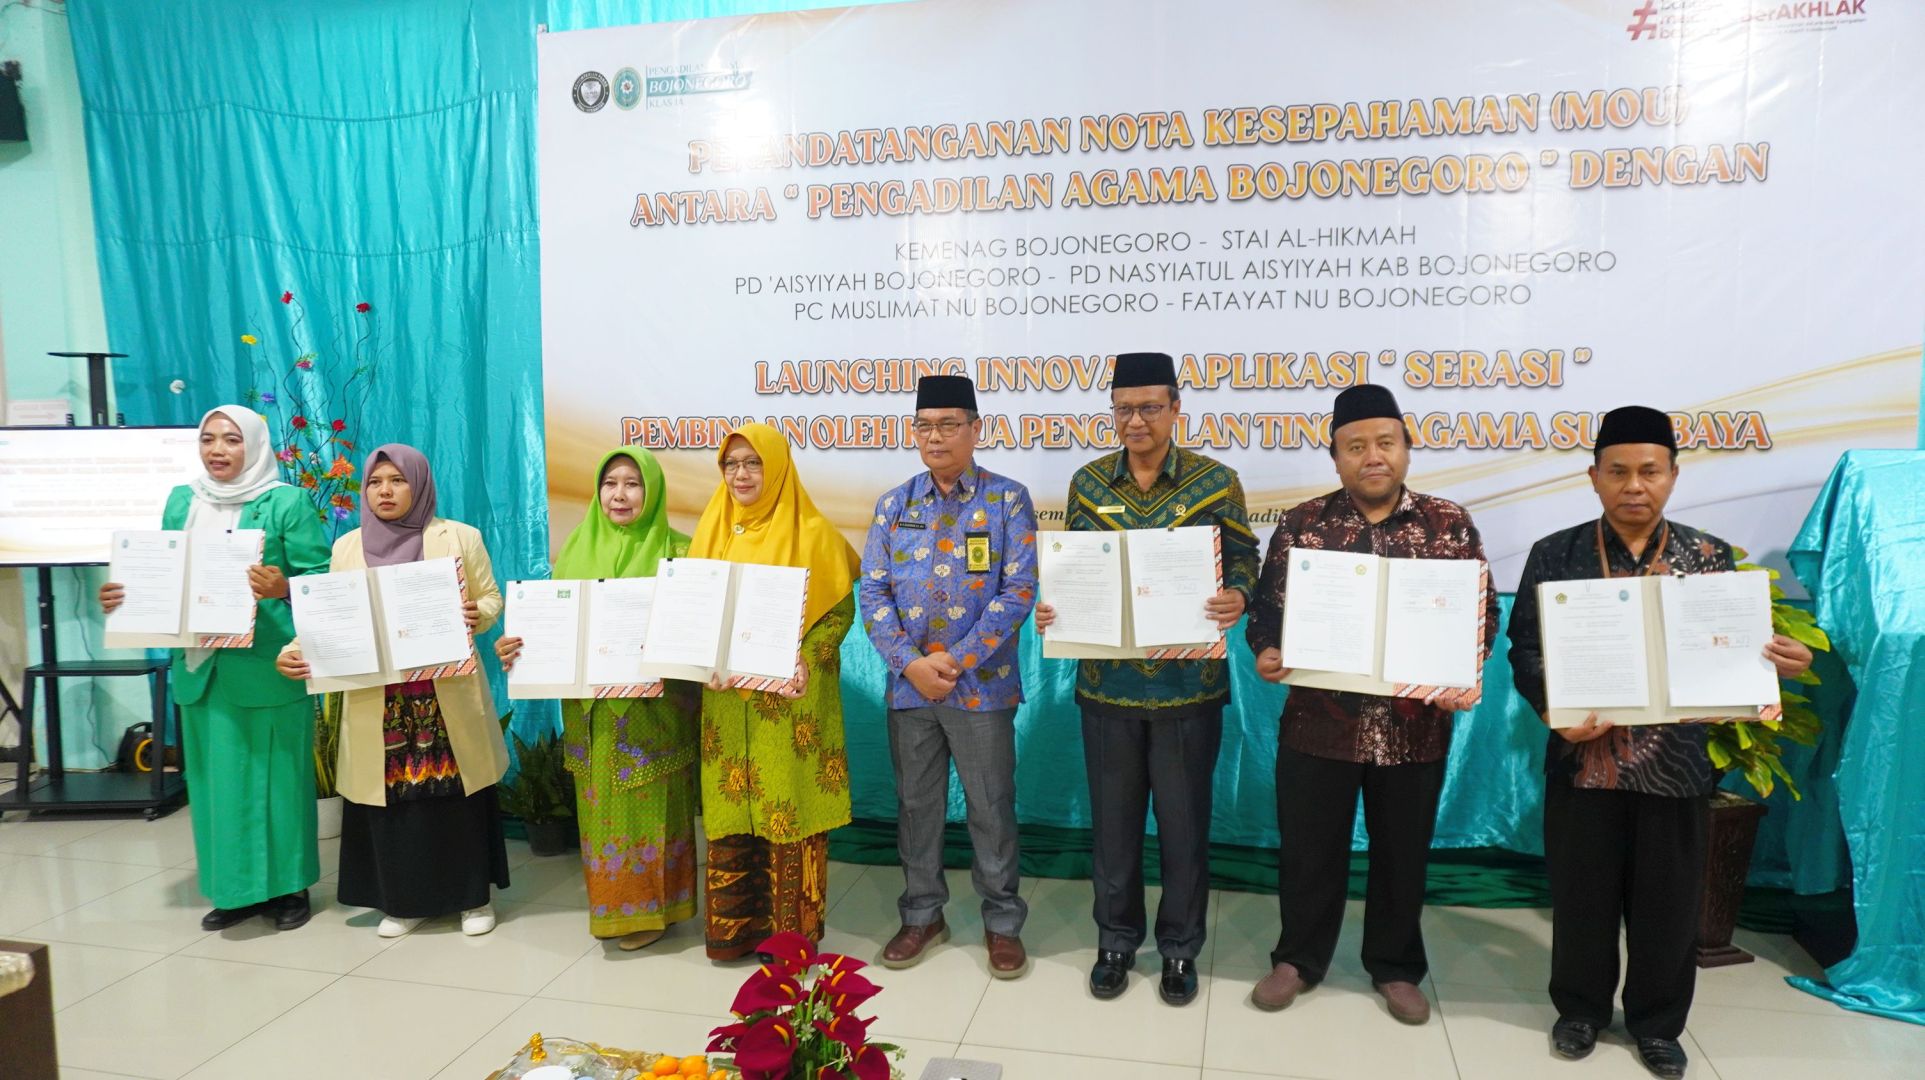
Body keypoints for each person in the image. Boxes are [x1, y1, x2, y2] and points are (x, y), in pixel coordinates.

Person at [1507, 405, 1813, 1079]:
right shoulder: (1555, 554)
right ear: (1593, 477)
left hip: (1676, 766)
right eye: (1617, 472)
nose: (1633, 486)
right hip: (1582, 756)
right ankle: (1579, 1010)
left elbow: (1734, 655)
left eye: (1649, 471)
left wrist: (1776, 664)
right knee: (1582, 894)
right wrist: (1553, 710)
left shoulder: (1706, 558)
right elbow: (1523, 648)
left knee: (1667, 904)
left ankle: (1656, 1023)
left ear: (1673, 475)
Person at [1242, 383, 1500, 1025]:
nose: (1372, 456)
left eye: (1385, 442)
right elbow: (1267, 615)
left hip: (1413, 729)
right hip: (1318, 727)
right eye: (1355, 447)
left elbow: (1482, 614)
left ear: (1407, 448)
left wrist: (1463, 666)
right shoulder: (1304, 524)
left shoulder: (1449, 523)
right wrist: (1268, 649)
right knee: (1309, 849)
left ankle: (1395, 966)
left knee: (1402, 852)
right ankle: (1297, 958)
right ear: (1337, 459)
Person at [1033, 351, 1261, 1006]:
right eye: (1123, 408)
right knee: (1113, 823)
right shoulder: (1086, 483)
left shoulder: (1217, 481)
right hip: (1105, 689)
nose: (1135, 420)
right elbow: (1073, 570)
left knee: (1185, 825)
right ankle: (1114, 939)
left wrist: (1237, 596)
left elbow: (1243, 559)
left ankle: (1180, 948)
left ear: (1175, 410)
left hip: (1188, 690)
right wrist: (1055, 607)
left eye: (1149, 407)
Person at [99, 405, 330, 932]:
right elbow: (167, 575)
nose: (218, 450)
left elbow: (324, 580)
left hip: (268, 666)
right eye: (208, 439)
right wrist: (126, 597)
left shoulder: (286, 502)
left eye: (231, 440)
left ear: (253, 446)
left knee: (279, 781)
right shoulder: (183, 500)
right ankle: (235, 889)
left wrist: (284, 587)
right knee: (213, 785)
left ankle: (289, 886)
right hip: (200, 670)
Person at [276, 444, 512, 938]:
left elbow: (491, 597)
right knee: (395, 799)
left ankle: (472, 899)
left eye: (397, 480)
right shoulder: (347, 547)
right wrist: (295, 649)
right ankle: (403, 902)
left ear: (418, 483)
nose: (385, 490)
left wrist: (479, 614)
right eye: (375, 482)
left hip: (443, 692)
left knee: (454, 793)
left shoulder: (458, 538)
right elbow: (330, 616)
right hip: (379, 697)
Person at [859, 374, 1038, 978]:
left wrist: (956, 660)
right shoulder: (894, 504)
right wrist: (910, 663)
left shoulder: (1007, 500)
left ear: (975, 429)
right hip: (909, 687)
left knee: (990, 805)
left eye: (949, 424)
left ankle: (1002, 921)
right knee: (917, 804)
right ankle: (922, 914)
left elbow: (1017, 591)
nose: (935, 437)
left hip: (981, 687)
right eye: (924, 425)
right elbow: (874, 594)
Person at [496, 448, 699, 950]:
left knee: (657, 806)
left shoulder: (683, 551)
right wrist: (518, 648)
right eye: (611, 483)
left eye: (633, 483)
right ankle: (619, 909)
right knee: (601, 810)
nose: (620, 494)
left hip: (656, 709)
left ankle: (661, 908)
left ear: (651, 492)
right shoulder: (574, 552)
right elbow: (557, 633)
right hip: (592, 713)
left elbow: (696, 628)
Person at [691, 422, 860, 960]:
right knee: (730, 811)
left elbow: (839, 613)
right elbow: (690, 613)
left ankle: (789, 937)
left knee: (787, 811)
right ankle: (733, 930)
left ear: (778, 466)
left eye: (753, 463)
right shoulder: (712, 528)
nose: (741, 474)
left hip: (787, 705)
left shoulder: (812, 532)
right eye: (731, 464)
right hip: (724, 702)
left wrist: (810, 660)